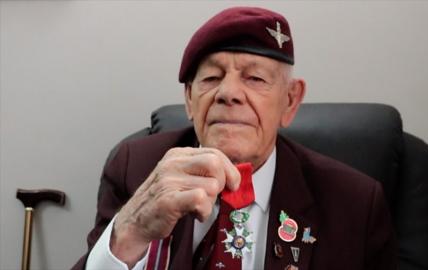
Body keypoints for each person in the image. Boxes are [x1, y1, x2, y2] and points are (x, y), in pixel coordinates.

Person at [72, 6, 396, 270]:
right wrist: (131, 231)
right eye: (212, 77)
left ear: (290, 101)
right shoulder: (135, 167)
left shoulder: (354, 203)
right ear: (188, 99)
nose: (228, 93)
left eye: (255, 78)